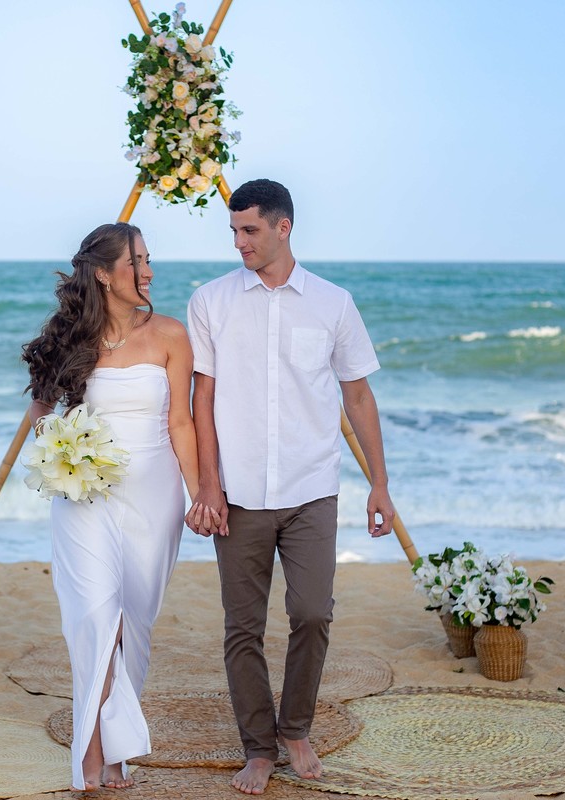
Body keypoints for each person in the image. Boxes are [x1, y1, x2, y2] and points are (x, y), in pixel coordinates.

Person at [185, 179, 395, 795]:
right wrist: (208, 484)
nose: (239, 243)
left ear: (283, 228)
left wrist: (379, 483)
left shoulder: (332, 303)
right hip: (239, 493)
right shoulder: (211, 301)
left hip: (311, 489)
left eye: (250, 230)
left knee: (311, 612)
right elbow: (204, 399)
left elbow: (357, 393)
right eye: (233, 232)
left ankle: (295, 727)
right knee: (242, 627)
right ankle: (258, 746)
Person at [23, 222, 214, 791]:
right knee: (94, 616)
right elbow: (41, 411)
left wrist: (202, 492)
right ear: (104, 274)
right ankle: (94, 751)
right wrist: (56, 449)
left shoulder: (173, 336)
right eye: (138, 260)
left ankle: (117, 750)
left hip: (153, 494)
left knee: (133, 622)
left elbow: (181, 422)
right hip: (84, 494)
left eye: (149, 259)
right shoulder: (69, 340)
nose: (150, 270)